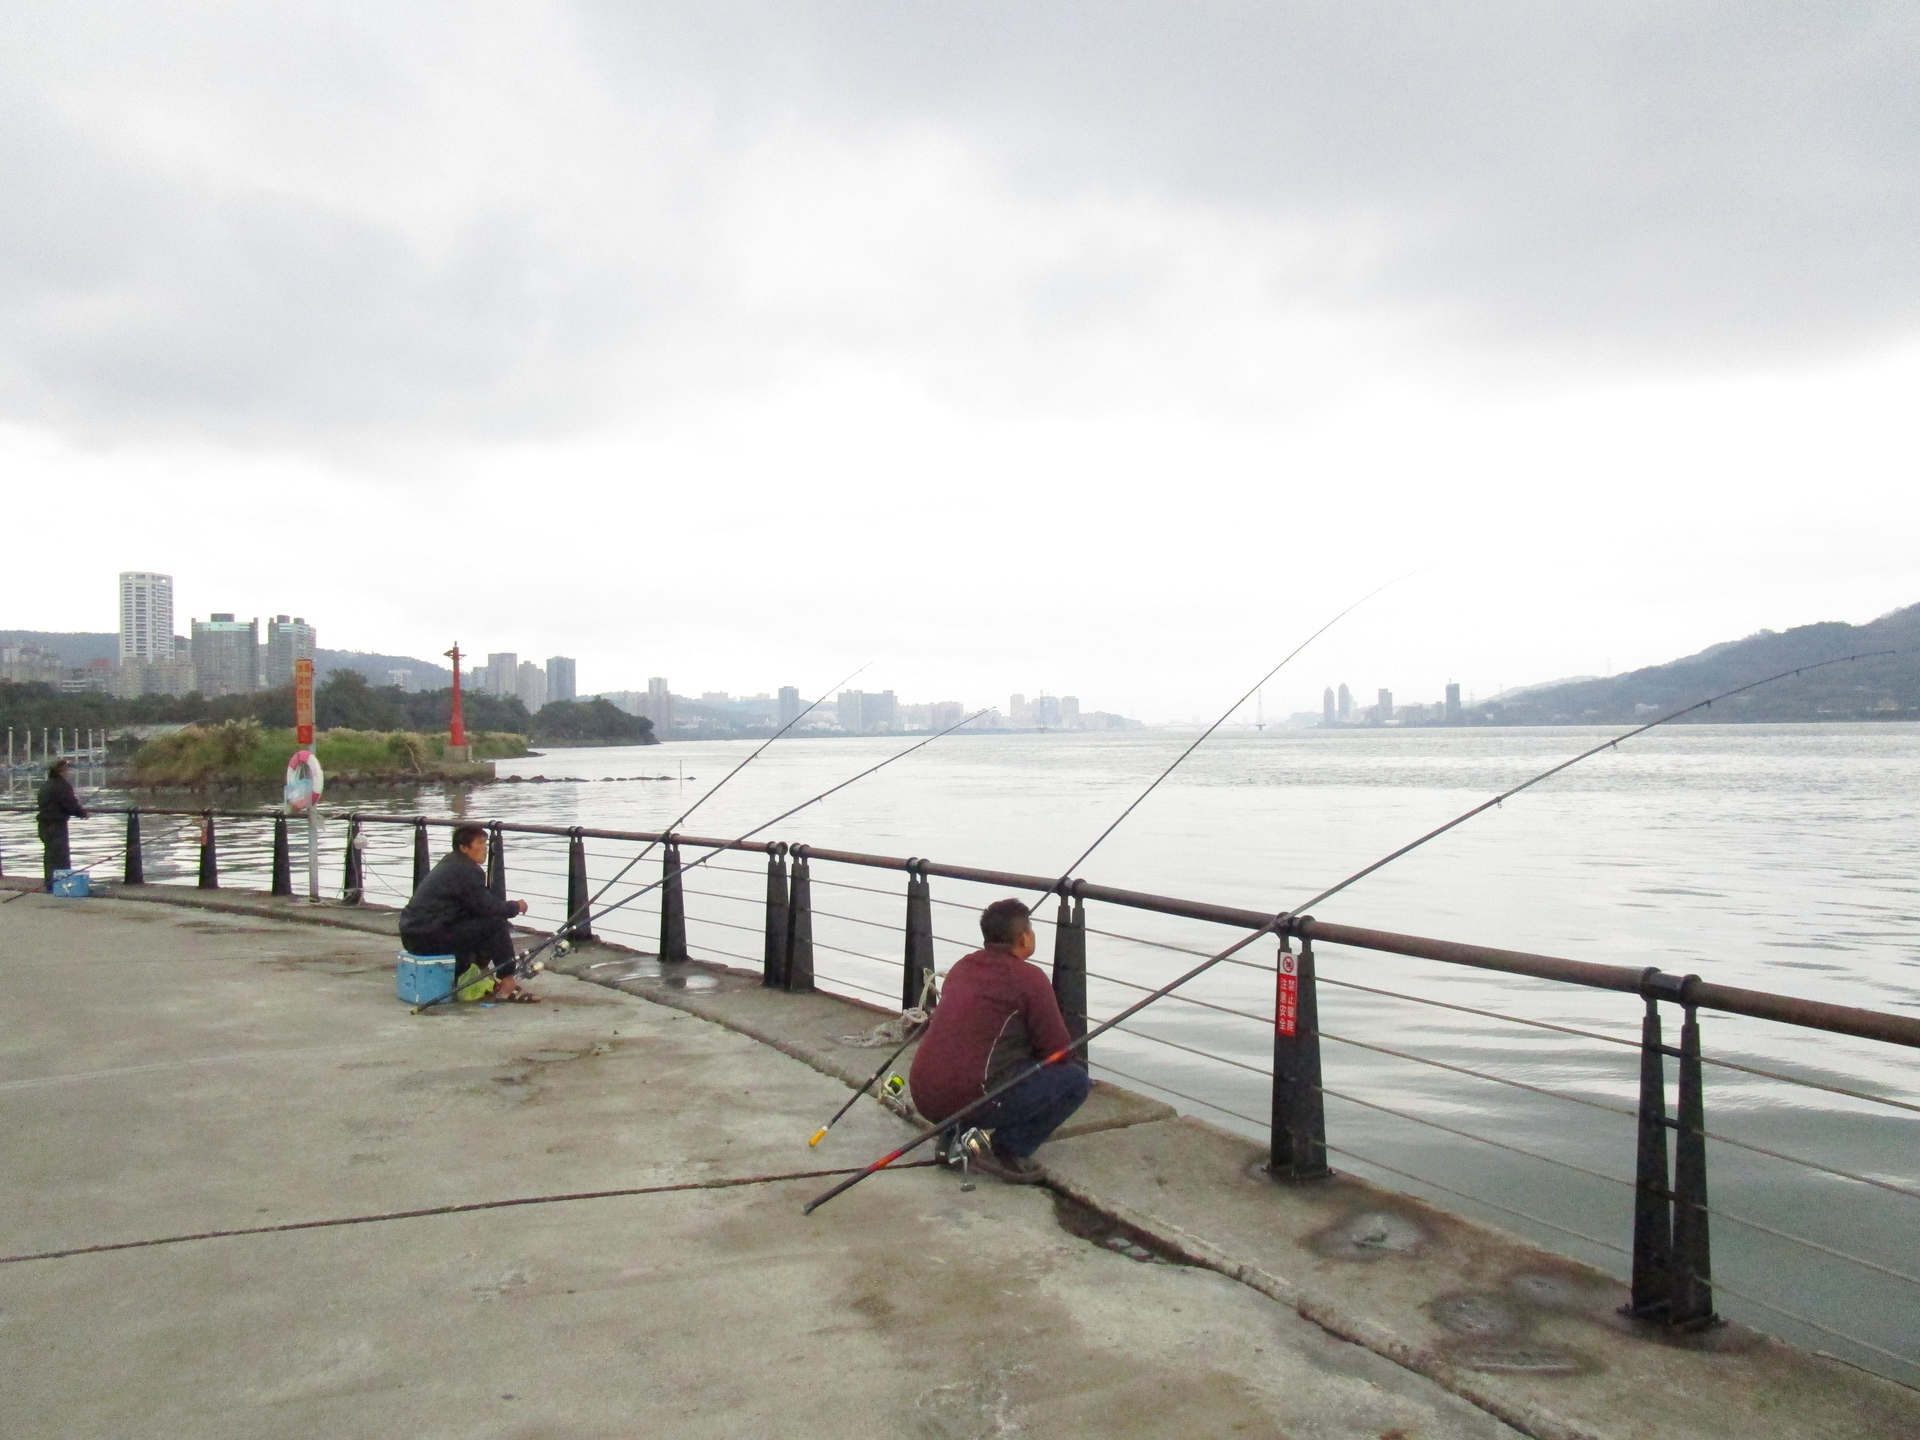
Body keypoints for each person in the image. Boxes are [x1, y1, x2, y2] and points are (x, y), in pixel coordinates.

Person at [908, 897, 1090, 1184]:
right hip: (970, 1097)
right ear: (1023, 937)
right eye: (1031, 929)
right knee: (1075, 1081)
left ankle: (953, 1135)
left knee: (976, 1063)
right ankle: (1010, 1149)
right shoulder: (1030, 978)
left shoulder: (962, 967)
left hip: (923, 1093)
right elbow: (1058, 1051)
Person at [399, 823, 539, 1002]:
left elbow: (476, 907)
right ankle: (508, 982)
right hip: (428, 939)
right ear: (464, 848)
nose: (485, 849)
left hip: (414, 935)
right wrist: (516, 906)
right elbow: (488, 908)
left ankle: (479, 975)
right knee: (496, 924)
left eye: (485, 844)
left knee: (480, 924)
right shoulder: (467, 870)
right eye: (479, 844)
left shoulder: (451, 863)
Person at [36, 759, 88, 891]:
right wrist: (83, 813)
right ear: (61, 771)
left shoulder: (45, 786)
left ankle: (50, 883)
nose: (68, 772)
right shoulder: (62, 786)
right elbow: (69, 804)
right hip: (57, 825)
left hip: (43, 825)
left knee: (49, 855)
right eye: (66, 769)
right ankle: (60, 886)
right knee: (60, 857)